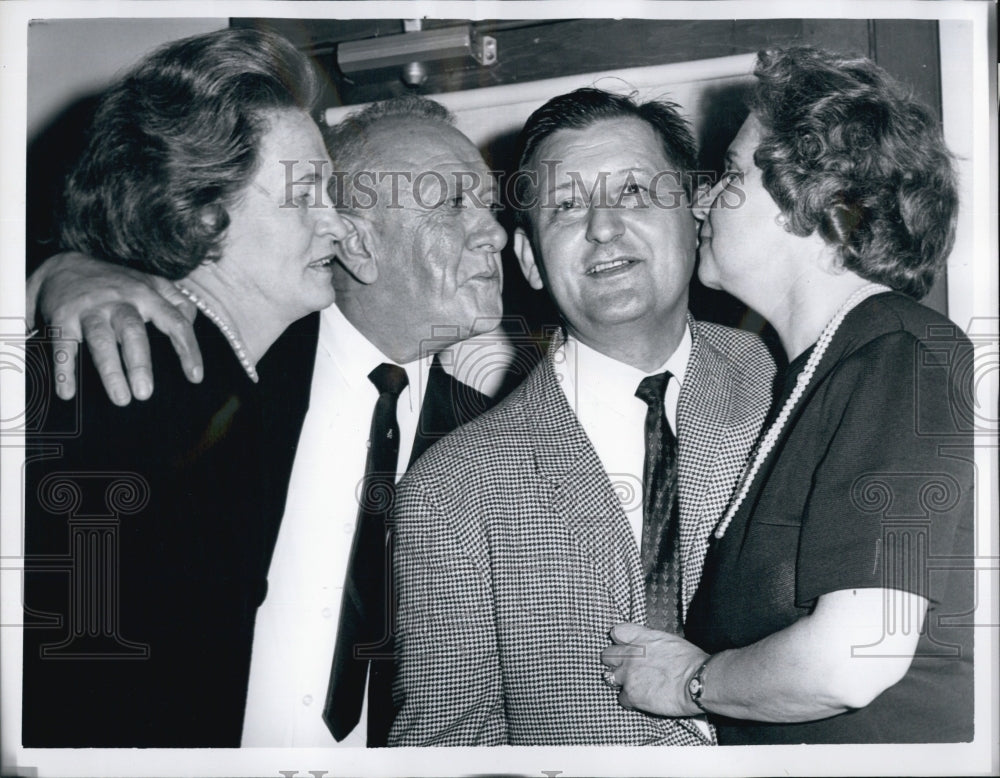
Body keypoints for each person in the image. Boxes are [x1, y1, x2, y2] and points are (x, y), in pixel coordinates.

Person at [26, 94, 508, 746]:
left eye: (489, 205)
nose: (497, 232)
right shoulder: (225, 354)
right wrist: (53, 272)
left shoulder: (486, 431)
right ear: (355, 232)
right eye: (453, 203)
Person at [600, 47, 974, 745]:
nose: (704, 200)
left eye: (733, 175)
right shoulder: (816, 371)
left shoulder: (902, 355)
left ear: (821, 206)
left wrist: (690, 683)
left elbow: (852, 660)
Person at [387, 88, 776, 746]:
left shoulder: (787, 382)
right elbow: (446, 750)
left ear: (693, 212)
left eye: (632, 193)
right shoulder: (449, 489)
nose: (602, 227)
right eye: (566, 206)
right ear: (531, 260)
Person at [23, 28, 356, 747]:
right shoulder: (129, 382)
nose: (338, 219)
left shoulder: (228, 376)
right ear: (204, 216)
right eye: (308, 193)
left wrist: (56, 268)